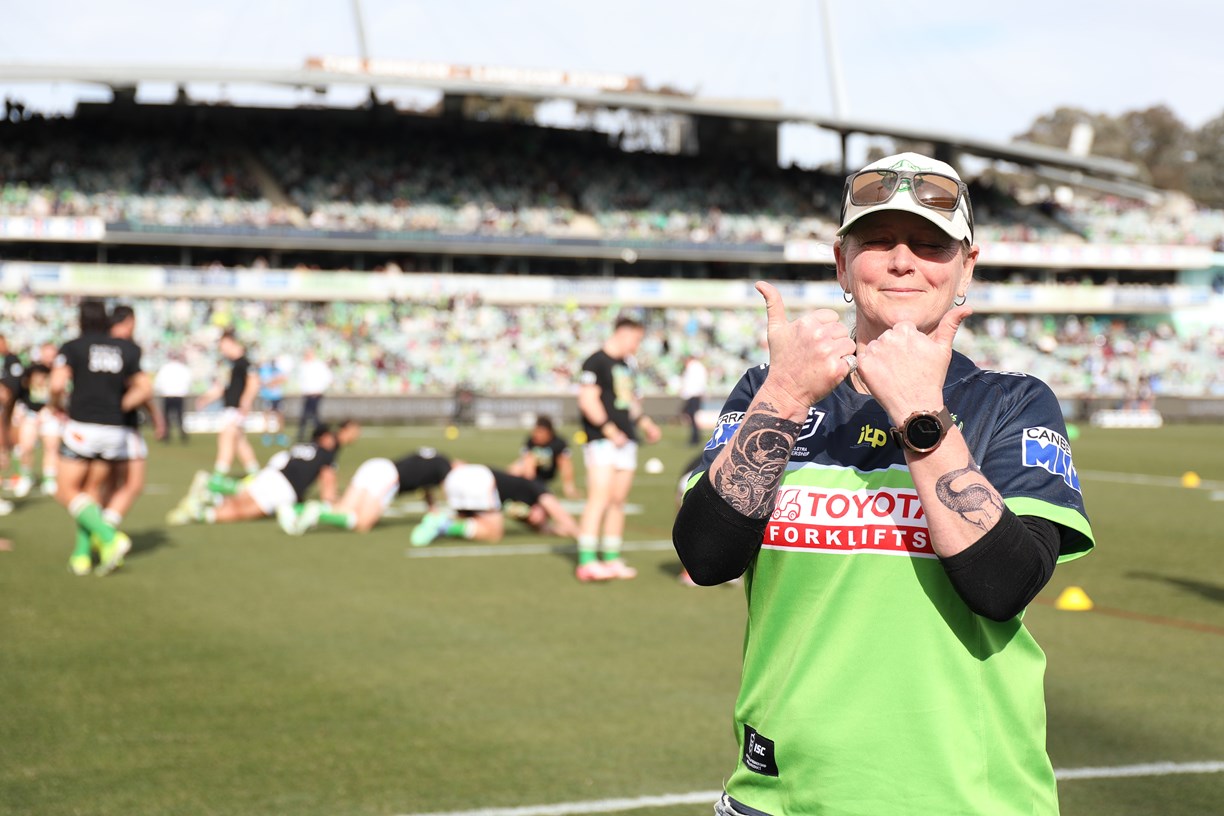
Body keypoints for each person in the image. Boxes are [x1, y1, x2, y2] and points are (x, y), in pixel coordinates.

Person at [673, 152, 1095, 816]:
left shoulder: (1010, 402)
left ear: (966, 267)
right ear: (842, 264)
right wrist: (784, 397)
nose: (903, 261)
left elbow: (1003, 586)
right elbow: (706, 556)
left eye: (930, 244)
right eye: (878, 241)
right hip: (781, 796)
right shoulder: (771, 391)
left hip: (961, 799)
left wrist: (920, 414)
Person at [50, 299, 152, 576]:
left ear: (80, 320)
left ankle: (108, 537)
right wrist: (121, 406)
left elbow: (57, 384)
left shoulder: (73, 347)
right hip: (116, 431)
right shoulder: (125, 348)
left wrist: (56, 404)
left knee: (65, 490)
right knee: (92, 492)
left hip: (83, 427)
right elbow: (145, 387)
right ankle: (81, 556)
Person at [573, 315, 661, 582]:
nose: (637, 345)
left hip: (626, 441)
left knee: (618, 501)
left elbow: (628, 401)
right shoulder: (595, 361)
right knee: (598, 498)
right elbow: (587, 400)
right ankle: (587, 561)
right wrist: (609, 430)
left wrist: (645, 423)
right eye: (636, 339)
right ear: (623, 333)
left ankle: (611, 558)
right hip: (602, 440)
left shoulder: (626, 365)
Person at [168, 420, 360, 526]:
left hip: (272, 474)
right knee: (244, 511)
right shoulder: (328, 452)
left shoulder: (306, 446)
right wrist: (330, 502)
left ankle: (208, 497)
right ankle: (200, 512)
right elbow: (328, 478)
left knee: (241, 500)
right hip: (285, 488)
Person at [96, 305, 164, 535]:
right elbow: (142, 388)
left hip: (94, 423)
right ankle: (104, 532)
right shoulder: (128, 349)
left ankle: (97, 530)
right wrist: (154, 414)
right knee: (133, 484)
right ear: (129, 322)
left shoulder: (95, 346)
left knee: (107, 483)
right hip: (122, 425)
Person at [278, 447, 454, 534]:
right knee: (363, 524)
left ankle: (295, 510)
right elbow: (449, 490)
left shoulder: (434, 458)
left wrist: (432, 509)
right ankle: (318, 514)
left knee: (343, 509)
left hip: (376, 465)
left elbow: (426, 487)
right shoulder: (446, 466)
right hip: (389, 477)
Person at [408, 464, 580, 547]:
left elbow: (545, 529)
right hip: (480, 479)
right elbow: (560, 515)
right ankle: (443, 524)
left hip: (462, 478)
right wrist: (582, 536)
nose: (541, 520)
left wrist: (557, 530)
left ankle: (437, 522)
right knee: (494, 534)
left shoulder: (527, 515)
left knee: (470, 522)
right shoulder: (538, 489)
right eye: (545, 516)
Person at [196, 330, 260, 490]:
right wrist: (206, 398)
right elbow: (222, 389)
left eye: (223, 345)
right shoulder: (229, 365)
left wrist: (246, 401)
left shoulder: (244, 363)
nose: (221, 349)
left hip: (237, 409)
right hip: (230, 408)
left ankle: (219, 474)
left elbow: (254, 383)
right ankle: (255, 473)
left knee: (226, 436)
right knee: (239, 442)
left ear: (232, 343)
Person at [506, 415, 579, 498]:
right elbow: (525, 460)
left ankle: (569, 488)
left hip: (548, 472)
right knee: (517, 468)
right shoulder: (531, 441)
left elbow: (566, 464)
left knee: (564, 460)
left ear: (549, 432)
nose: (537, 435)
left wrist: (569, 487)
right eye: (536, 431)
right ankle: (528, 488)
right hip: (531, 473)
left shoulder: (559, 442)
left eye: (540, 432)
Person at [153, 351, 191, 444]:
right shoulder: (182, 368)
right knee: (180, 416)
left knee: (167, 416)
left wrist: (162, 390)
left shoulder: (164, 368)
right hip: (179, 395)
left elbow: (158, 382)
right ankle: (182, 435)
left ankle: (166, 435)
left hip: (167, 395)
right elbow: (188, 381)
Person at [295, 348, 332, 442]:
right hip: (307, 394)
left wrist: (320, 390)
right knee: (307, 416)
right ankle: (302, 436)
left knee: (312, 416)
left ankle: (319, 434)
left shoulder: (318, 365)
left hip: (315, 394)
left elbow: (328, 378)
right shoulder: (303, 365)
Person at [257, 355, 290, 447]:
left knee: (280, 416)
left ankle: (280, 435)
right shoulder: (264, 369)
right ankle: (266, 436)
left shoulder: (278, 369)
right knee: (266, 416)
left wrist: (273, 382)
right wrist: (273, 381)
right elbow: (263, 382)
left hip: (277, 396)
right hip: (267, 396)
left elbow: (283, 379)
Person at [677, 353, 709, 446]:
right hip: (695, 394)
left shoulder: (692, 367)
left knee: (690, 415)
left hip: (693, 395)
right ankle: (695, 436)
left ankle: (695, 437)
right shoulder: (699, 367)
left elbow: (690, 383)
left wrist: (684, 393)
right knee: (691, 415)